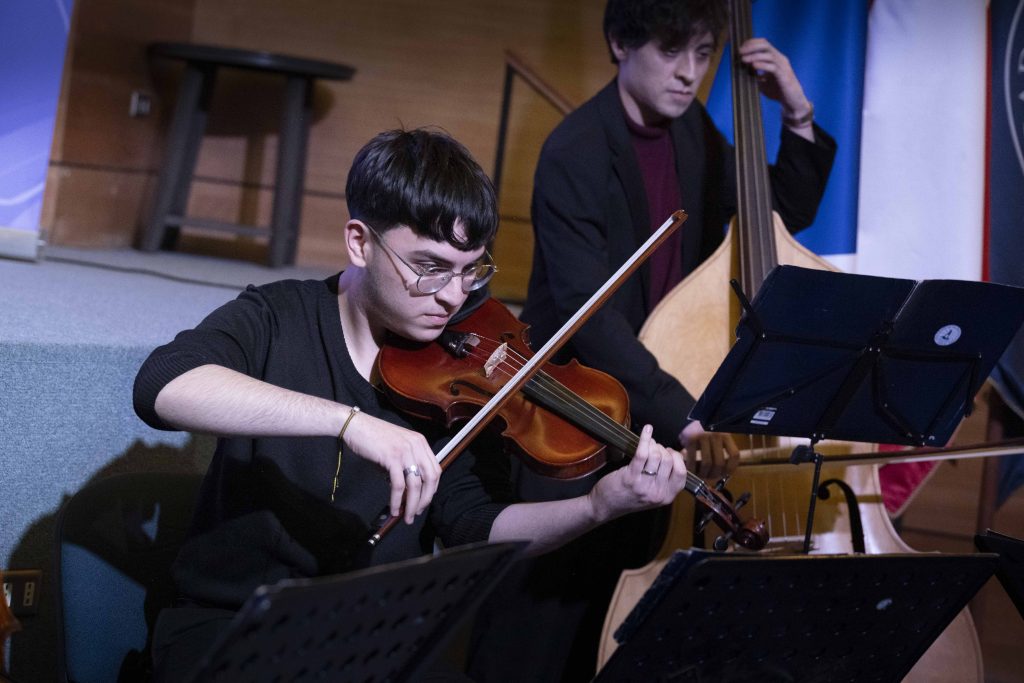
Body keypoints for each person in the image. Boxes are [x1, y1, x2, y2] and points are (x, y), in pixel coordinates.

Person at [132, 128, 691, 682]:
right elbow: (164, 384)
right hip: (232, 631)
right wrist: (349, 423)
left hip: (370, 642)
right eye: (430, 267)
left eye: (471, 270)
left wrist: (596, 506)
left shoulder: (461, 378)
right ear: (360, 242)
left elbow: (476, 524)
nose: (453, 296)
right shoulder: (279, 318)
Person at [468, 1, 837, 680]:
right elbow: (588, 315)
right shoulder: (575, 150)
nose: (689, 73)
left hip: (655, 411)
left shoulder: (692, 130)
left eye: (703, 54)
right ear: (619, 43)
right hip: (574, 410)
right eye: (671, 51)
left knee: (630, 634)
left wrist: (797, 113)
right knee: (544, 634)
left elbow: (778, 213)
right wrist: (686, 413)